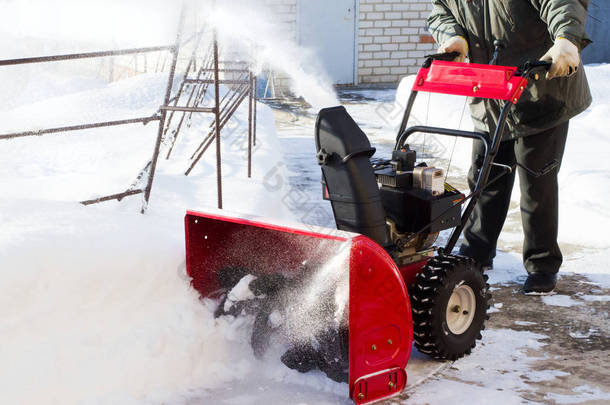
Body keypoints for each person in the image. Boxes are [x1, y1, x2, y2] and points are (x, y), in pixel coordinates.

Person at [426, 0, 592, 294]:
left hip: (543, 90)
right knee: (485, 177)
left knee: (536, 182)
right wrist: (452, 36)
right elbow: (442, 9)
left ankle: (542, 264)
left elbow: (562, 3)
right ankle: (477, 250)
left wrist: (566, 39)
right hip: (490, 91)